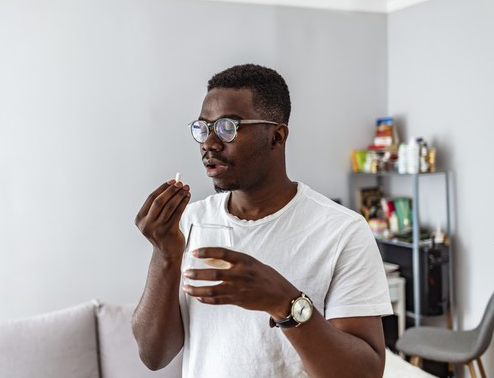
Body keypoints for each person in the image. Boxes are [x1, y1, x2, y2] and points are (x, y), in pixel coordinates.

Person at [133, 64, 392, 378]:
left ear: (276, 136)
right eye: (203, 128)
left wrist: (285, 302)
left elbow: (365, 374)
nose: (209, 143)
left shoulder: (342, 231)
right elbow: (154, 356)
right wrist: (165, 255)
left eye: (227, 128)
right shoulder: (189, 223)